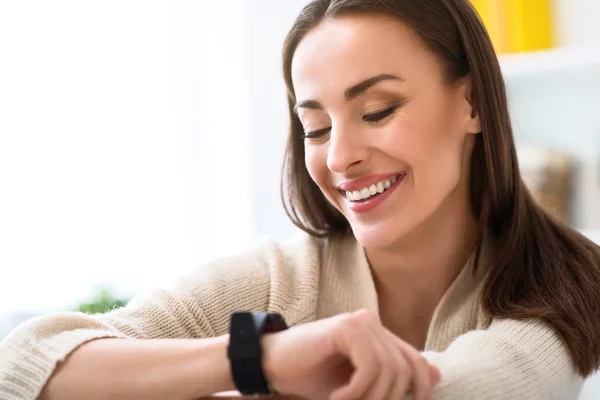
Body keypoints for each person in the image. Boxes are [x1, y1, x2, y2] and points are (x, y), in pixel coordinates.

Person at [1, 0, 600, 399]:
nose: (339, 157)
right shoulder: (280, 279)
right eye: (315, 127)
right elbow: (25, 364)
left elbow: (452, 389)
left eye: (377, 110)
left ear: (471, 104)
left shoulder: (565, 286)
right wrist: (256, 357)